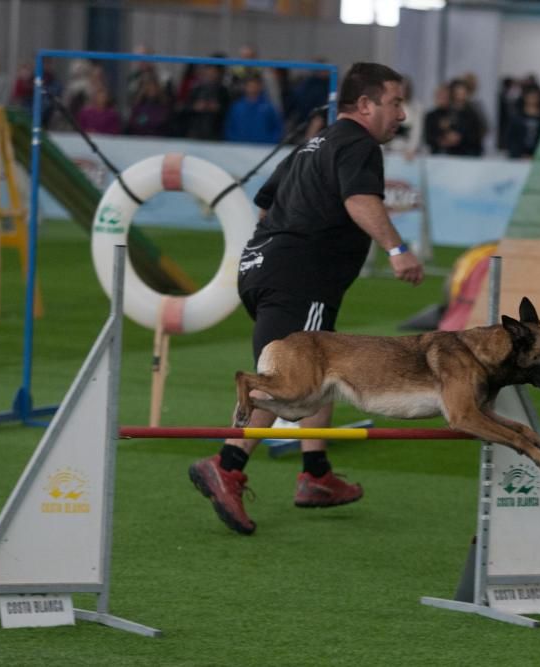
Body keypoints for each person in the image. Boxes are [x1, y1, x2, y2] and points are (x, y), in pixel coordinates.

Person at [187, 62, 424, 536]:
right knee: (291, 379)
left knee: (322, 364)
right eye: (395, 103)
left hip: (264, 268)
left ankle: (315, 477)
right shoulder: (358, 145)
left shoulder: (312, 145)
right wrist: (397, 250)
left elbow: (264, 201)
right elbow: (361, 201)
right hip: (300, 276)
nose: (401, 114)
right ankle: (227, 464)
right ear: (365, 105)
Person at [224, 75, 283, 144]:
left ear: (260, 87)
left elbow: (277, 127)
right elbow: (229, 127)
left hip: (263, 148)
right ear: (245, 87)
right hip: (239, 148)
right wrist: (234, 141)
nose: (252, 89)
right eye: (250, 86)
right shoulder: (237, 107)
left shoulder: (269, 107)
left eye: (255, 86)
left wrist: (270, 141)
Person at [505, 86, 540, 159]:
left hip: (538, 156)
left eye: (535, 96)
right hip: (519, 156)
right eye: (531, 96)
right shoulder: (517, 118)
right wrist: (518, 154)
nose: (533, 99)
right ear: (525, 97)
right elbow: (510, 138)